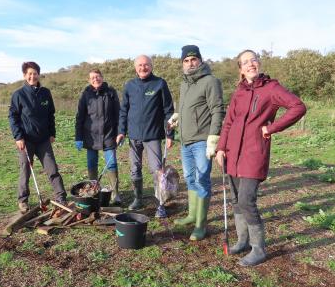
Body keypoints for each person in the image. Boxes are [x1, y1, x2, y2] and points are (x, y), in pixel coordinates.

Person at [215, 49, 306, 266]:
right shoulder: (239, 91)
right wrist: (221, 148)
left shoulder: (271, 88)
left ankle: (259, 249)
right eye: (245, 62)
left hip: (254, 153)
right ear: (240, 69)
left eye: (253, 60)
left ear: (259, 63)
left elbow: (298, 107)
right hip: (232, 153)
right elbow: (228, 122)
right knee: (237, 200)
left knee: (247, 200)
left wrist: (271, 128)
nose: (250, 64)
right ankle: (242, 241)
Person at [168, 45, 225, 241]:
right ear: (182, 63)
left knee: (202, 181)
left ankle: (201, 224)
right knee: (190, 178)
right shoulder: (185, 83)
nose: (190, 63)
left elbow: (217, 109)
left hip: (202, 141)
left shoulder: (210, 81)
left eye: (193, 59)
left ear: (200, 60)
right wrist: (179, 116)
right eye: (186, 60)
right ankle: (192, 215)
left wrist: (213, 138)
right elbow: (189, 107)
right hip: (185, 141)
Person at [116, 55, 174, 217]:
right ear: (135, 67)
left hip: (153, 135)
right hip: (133, 136)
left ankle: (160, 204)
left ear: (151, 66)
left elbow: (168, 111)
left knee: (157, 170)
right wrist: (121, 131)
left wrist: (170, 134)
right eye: (140, 65)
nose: (143, 68)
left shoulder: (160, 84)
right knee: (135, 169)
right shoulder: (129, 85)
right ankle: (138, 198)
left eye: (146, 65)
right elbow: (123, 111)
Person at [8, 61, 67, 213]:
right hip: (26, 141)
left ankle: (61, 197)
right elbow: (13, 117)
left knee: (52, 168)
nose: (32, 76)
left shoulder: (45, 93)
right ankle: (23, 200)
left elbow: (50, 114)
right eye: (29, 74)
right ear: (24, 75)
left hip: (43, 140)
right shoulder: (18, 95)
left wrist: (52, 133)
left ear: (38, 75)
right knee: (25, 171)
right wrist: (18, 137)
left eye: (35, 73)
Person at [74, 68, 121, 204]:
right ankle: (94, 192)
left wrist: (120, 132)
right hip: (91, 136)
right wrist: (78, 137)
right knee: (91, 163)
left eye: (98, 76)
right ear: (89, 80)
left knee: (111, 164)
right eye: (93, 77)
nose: (96, 79)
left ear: (102, 77)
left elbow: (118, 114)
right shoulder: (85, 95)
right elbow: (80, 117)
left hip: (109, 135)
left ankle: (116, 194)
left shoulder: (111, 92)